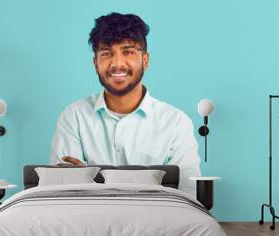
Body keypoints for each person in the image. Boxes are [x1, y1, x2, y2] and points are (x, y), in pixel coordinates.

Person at [49, 12, 201, 196]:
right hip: (89, 222)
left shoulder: (176, 123)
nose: (117, 63)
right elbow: (63, 191)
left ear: (145, 60)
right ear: (95, 63)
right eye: (107, 53)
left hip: (156, 222)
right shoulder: (74, 117)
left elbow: (187, 194)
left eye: (127, 52)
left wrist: (89, 180)